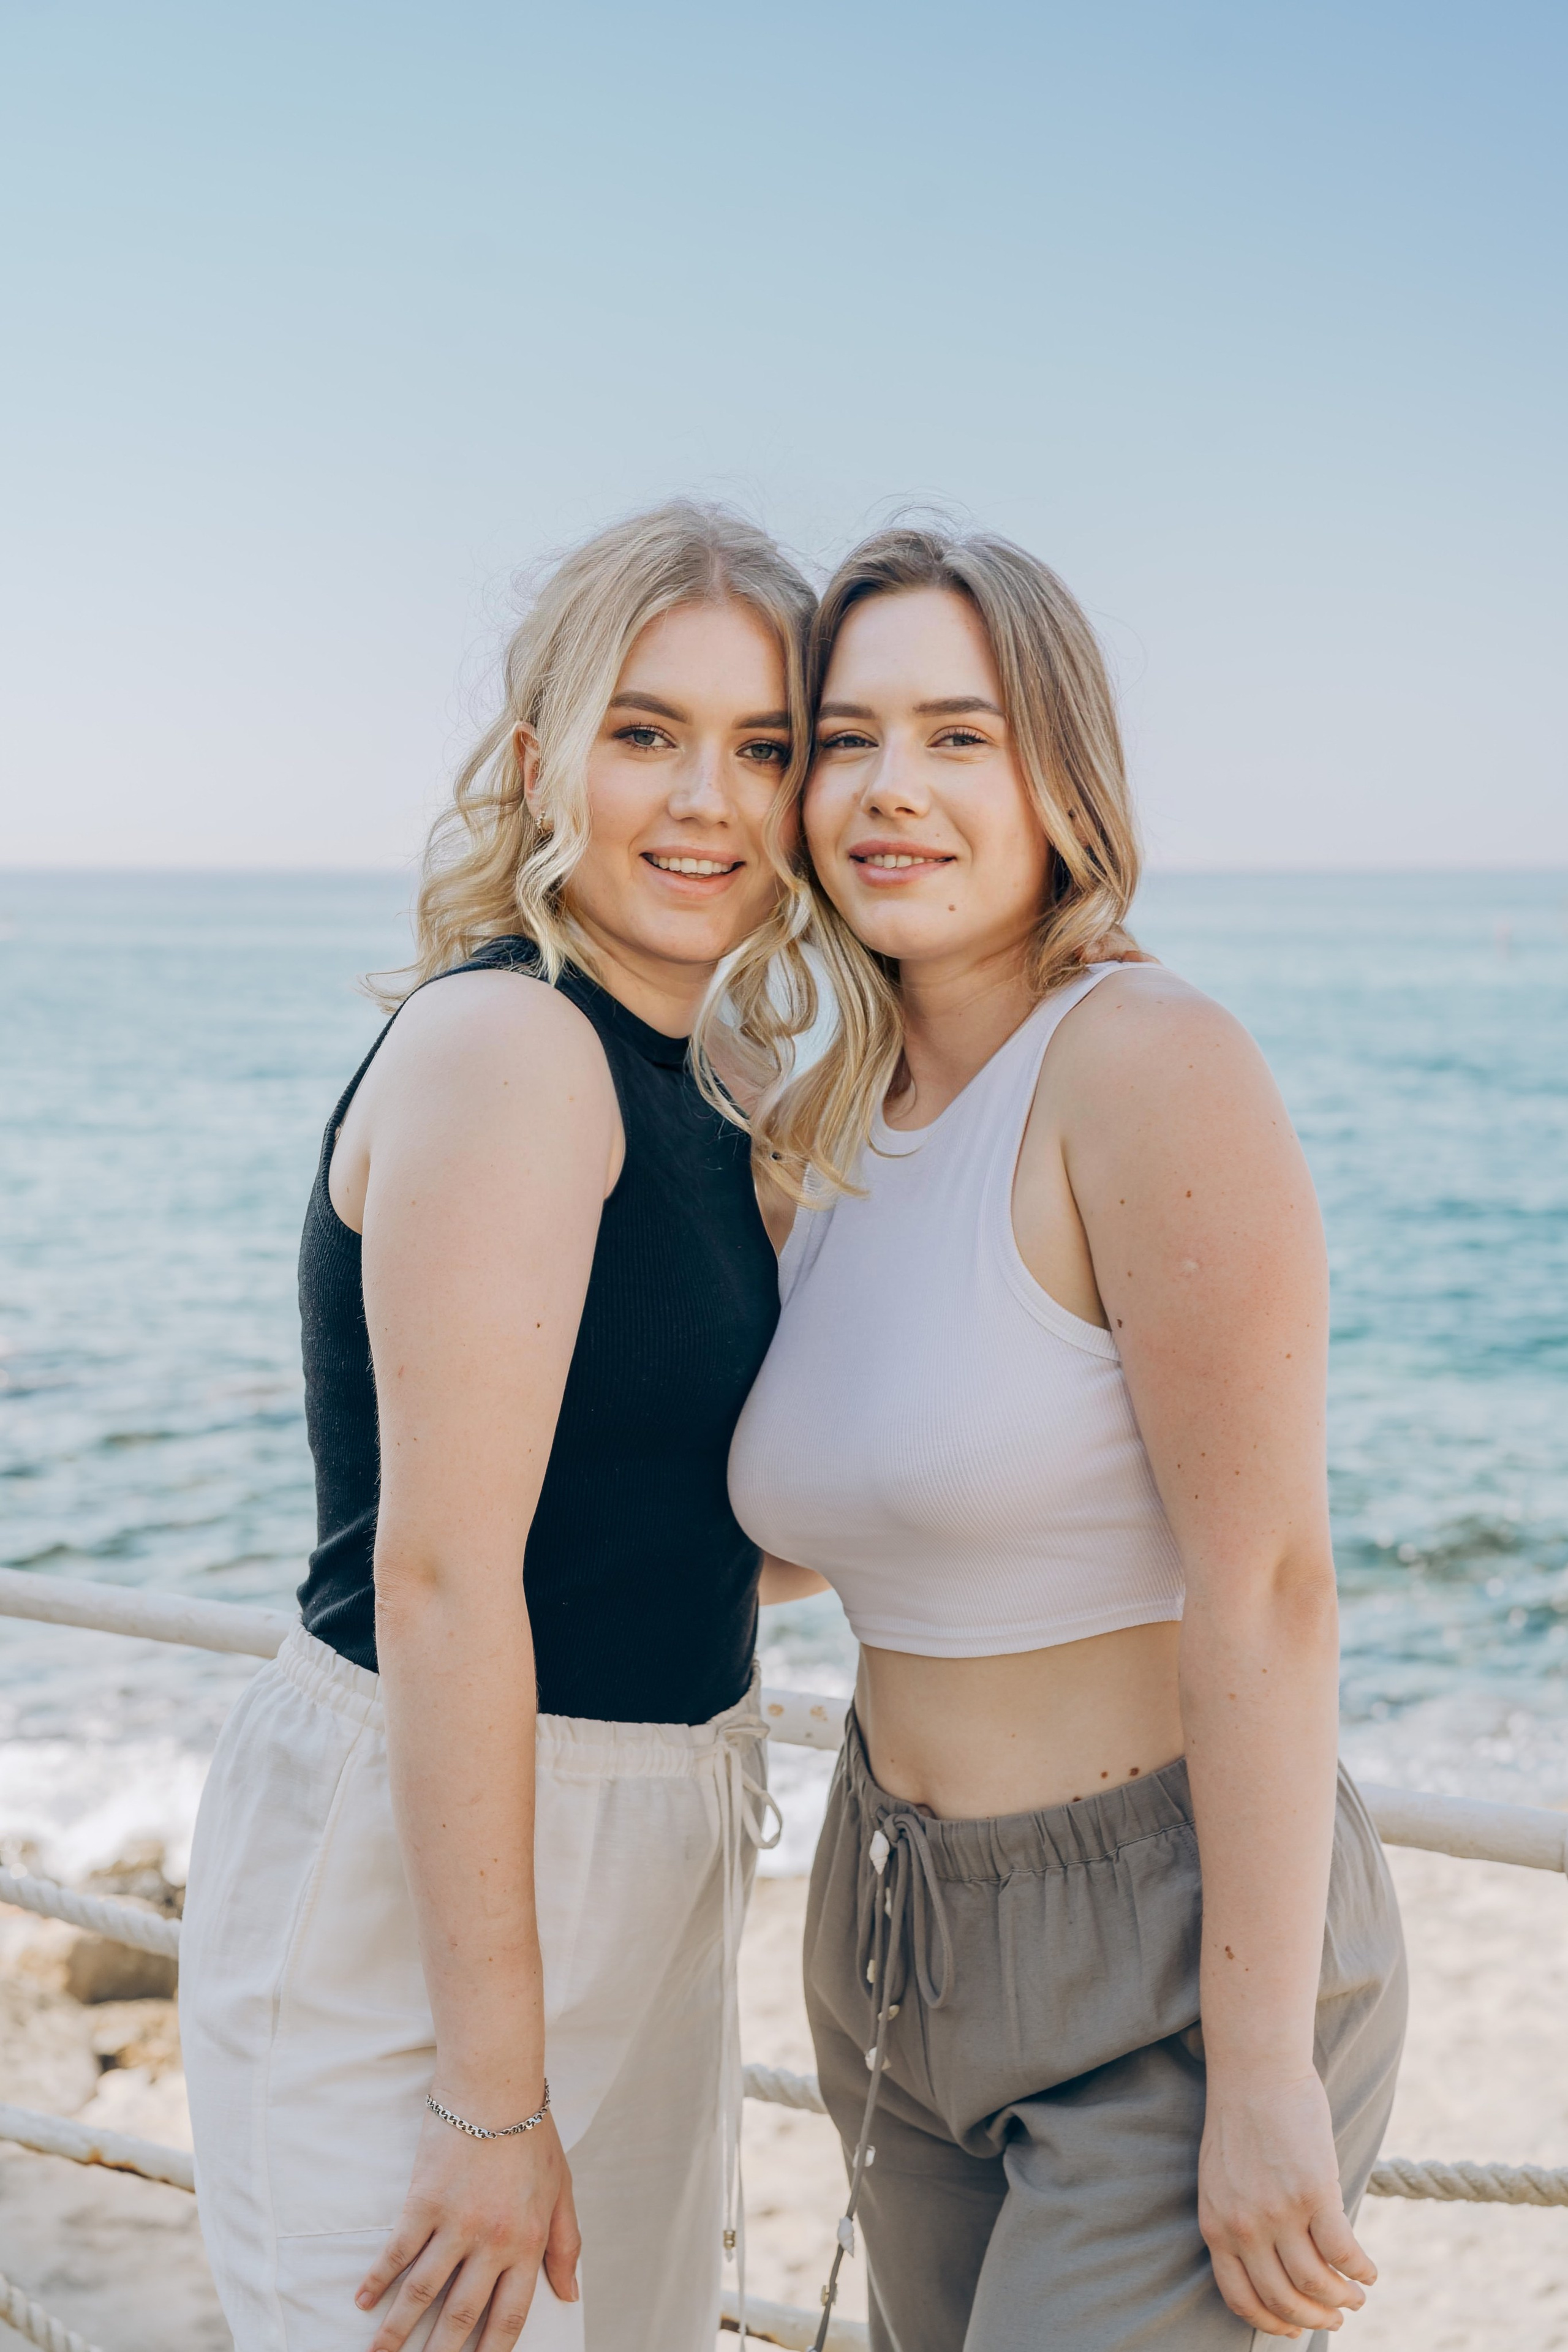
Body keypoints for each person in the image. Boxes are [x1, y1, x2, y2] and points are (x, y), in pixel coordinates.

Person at [728, 526, 1407, 2351]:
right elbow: (831, 1528)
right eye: (846, 740)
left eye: (960, 735)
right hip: (884, 1934)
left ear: (1062, 779)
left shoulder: (1147, 1060)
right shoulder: (822, 1120)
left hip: (1170, 1965)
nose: (894, 790)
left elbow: (1267, 1584)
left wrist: (1263, 2074)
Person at [179, 502, 825, 2352]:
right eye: (647, 733)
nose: (707, 798)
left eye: (764, 747)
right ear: (545, 768)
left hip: (652, 1829)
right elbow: (448, 1573)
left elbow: (712, 1533)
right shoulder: (512, 1049)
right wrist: (489, 2090)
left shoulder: (720, 1086)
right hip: (438, 1869)